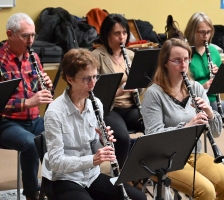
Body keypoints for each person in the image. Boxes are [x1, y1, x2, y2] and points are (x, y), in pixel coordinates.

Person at [141, 38, 224, 200]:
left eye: (187, 59)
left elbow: (215, 132)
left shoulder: (195, 88)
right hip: (165, 158)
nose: (183, 65)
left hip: (195, 152)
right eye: (177, 60)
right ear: (165, 63)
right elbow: (154, 136)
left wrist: (209, 112)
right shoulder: (154, 94)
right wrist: (187, 126)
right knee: (206, 191)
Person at [42, 48, 146, 200]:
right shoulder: (55, 112)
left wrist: (103, 143)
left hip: (91, 175)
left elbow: (93, 146)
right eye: (86, 79)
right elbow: (56, 162)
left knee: (139, 198)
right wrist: (92, 160)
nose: (93, 84)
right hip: (62, 178)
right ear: (70, 79)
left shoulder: (95, 103)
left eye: (95, 77)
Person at [0, 13, 53, 200]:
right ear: (10, 34)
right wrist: (28, 102)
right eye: (25, 36)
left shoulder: (33, 57)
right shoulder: (0, 61)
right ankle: (32, 194)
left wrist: (47, 86)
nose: (31, 41)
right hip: (6, 123)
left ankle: (55, 187)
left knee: (57, 132)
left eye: (33, 35)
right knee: (30, 142)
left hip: (34, 119)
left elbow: (39, 90)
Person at [92, 14, 144, 168]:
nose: (122, 37)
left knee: (155, 128)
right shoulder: (96, 57)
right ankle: (122, 176)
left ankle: (142, 170)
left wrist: (138, 84)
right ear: (107, 34)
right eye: (116, 33)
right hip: (109, 109)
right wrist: (120, 91)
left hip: (131, 106)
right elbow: (94, 94)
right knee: (122, 137)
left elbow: (140, 88)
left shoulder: (131, 56)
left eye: (124, 33)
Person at [184, 12, 224, 124]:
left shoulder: (213, 52)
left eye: (208, 32)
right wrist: (202, 86)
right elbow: (178, 85)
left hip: (213, 100)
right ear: (192, 32)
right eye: (202, 32)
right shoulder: (184, 52)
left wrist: (219, 76)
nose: (206, 36)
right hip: (192, 103)